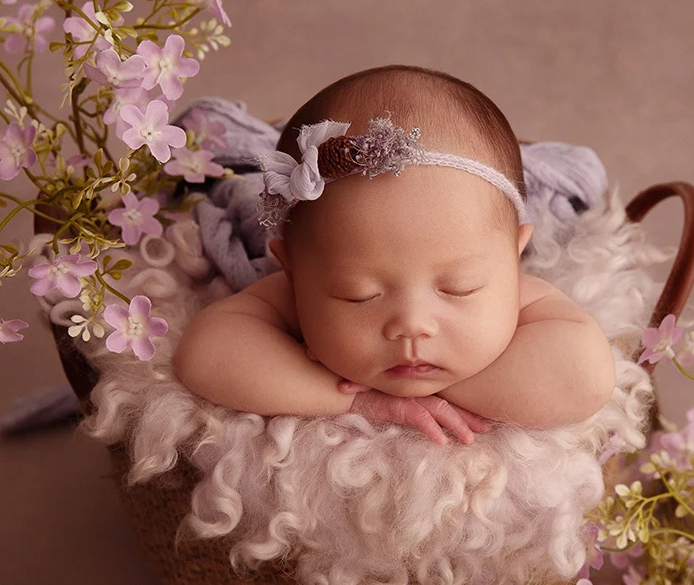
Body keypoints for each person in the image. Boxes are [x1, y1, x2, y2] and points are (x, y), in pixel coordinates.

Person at [173, 65, 616, 446]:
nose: (412, 324)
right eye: (358, 294)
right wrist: (359, 400)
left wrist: (447, 390)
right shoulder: (295, 293)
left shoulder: (520, 294)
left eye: (458, 289)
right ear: (292, 271)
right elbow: (205, 354)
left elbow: (585, 375)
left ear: (514, 256)